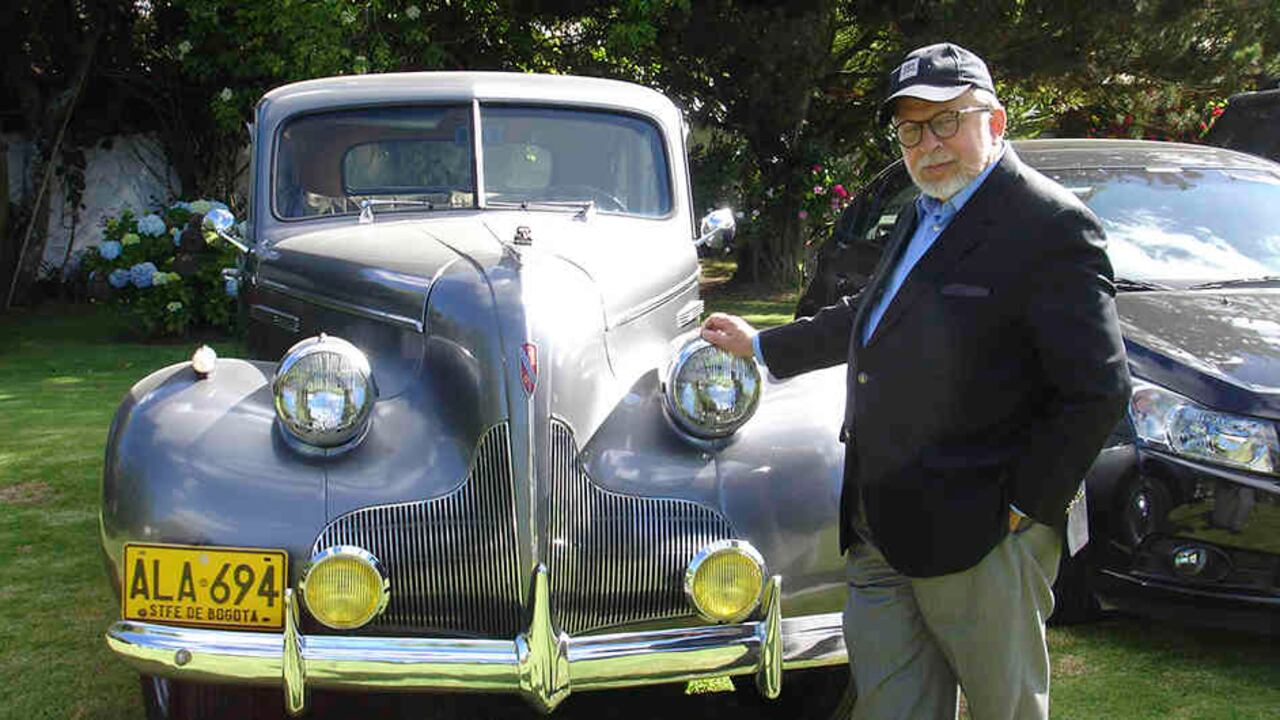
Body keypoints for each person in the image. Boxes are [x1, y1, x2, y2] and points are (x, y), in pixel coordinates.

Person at [700, 42, 1130, 720]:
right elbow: (874, 312)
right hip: (878, 526)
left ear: (995, 119)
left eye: (946, 121)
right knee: (890, 707)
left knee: (1004, 708)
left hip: (982, 537)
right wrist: (761, 344)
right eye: (910, 128)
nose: (928, 144)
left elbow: (1098, 390)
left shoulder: (1048, 226)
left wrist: (1023, 508)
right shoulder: (919, 212)